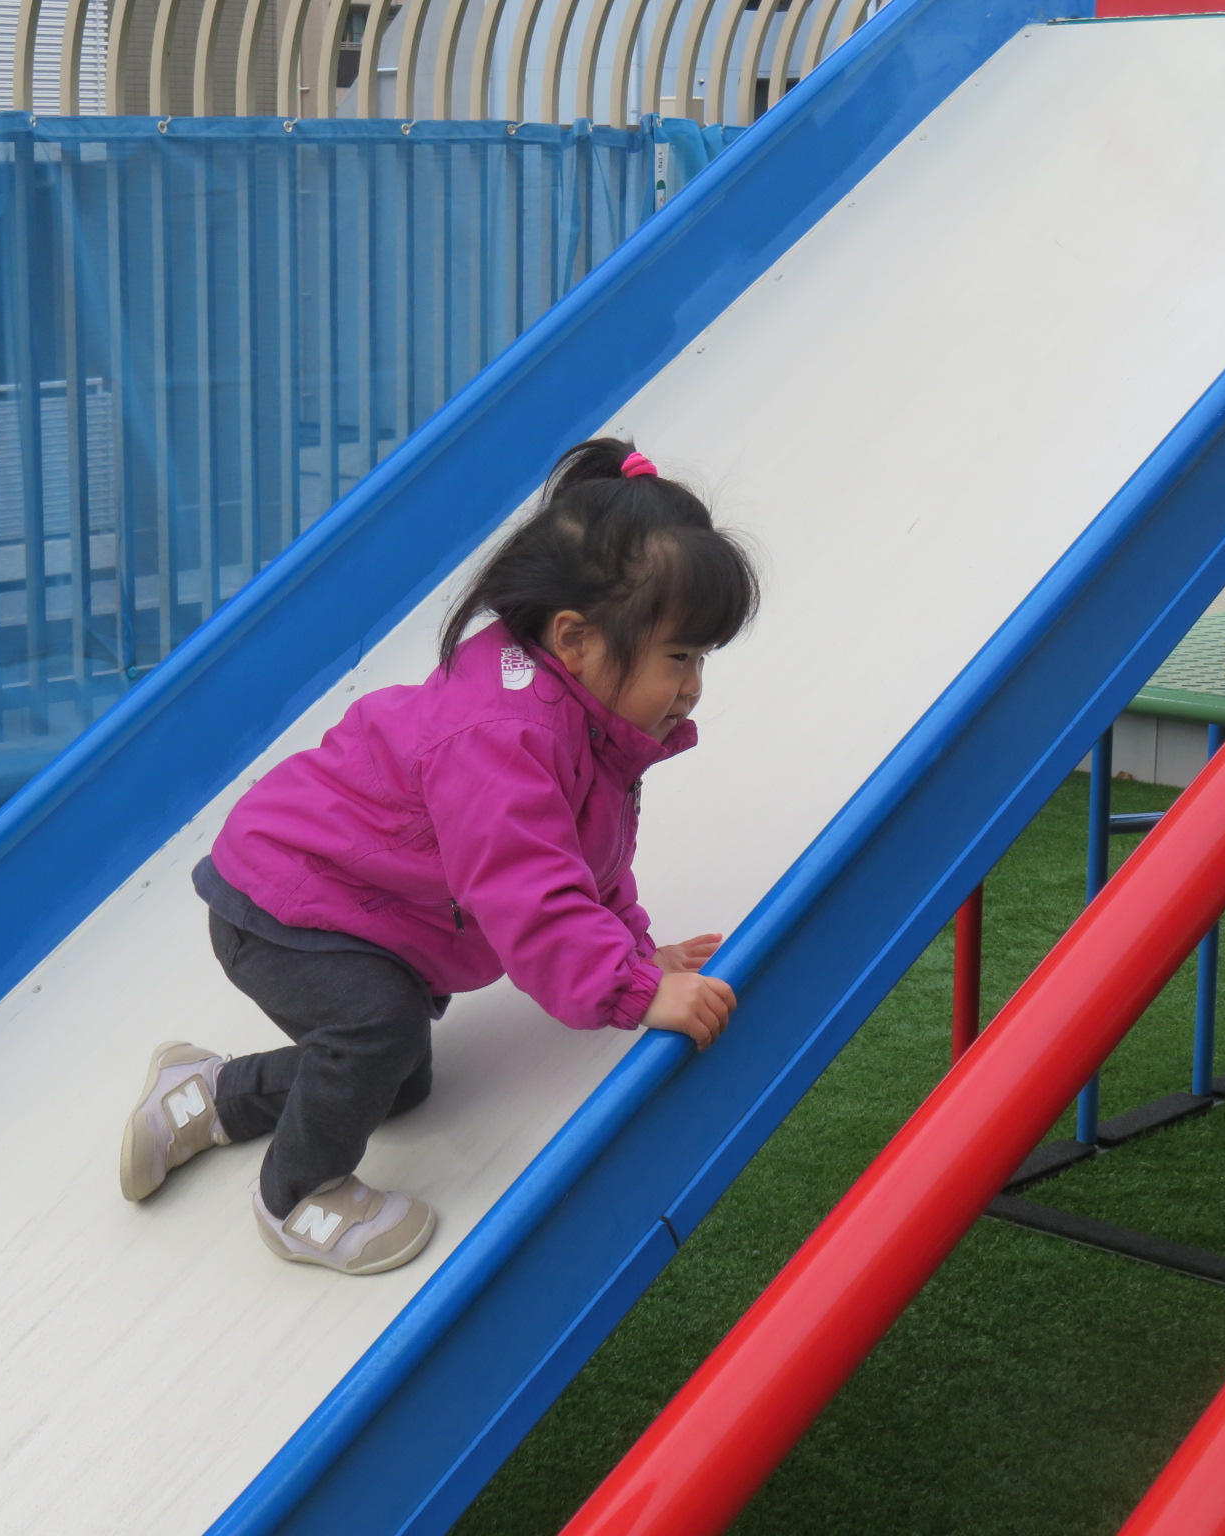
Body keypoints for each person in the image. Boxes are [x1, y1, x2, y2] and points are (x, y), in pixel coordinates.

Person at [119, 438, 759, 1274]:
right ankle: (295, 1197)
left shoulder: (578, 713)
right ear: (575, 638)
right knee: (376, 1037)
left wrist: (633, 952)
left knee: (399, 1082)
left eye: (702, 658)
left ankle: (205, 1094)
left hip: (356, 906)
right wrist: (634, 991)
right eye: (679, 657)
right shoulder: (500, 739)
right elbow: (526, 891)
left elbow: (583, 857)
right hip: (284, 903)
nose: (694, 685)